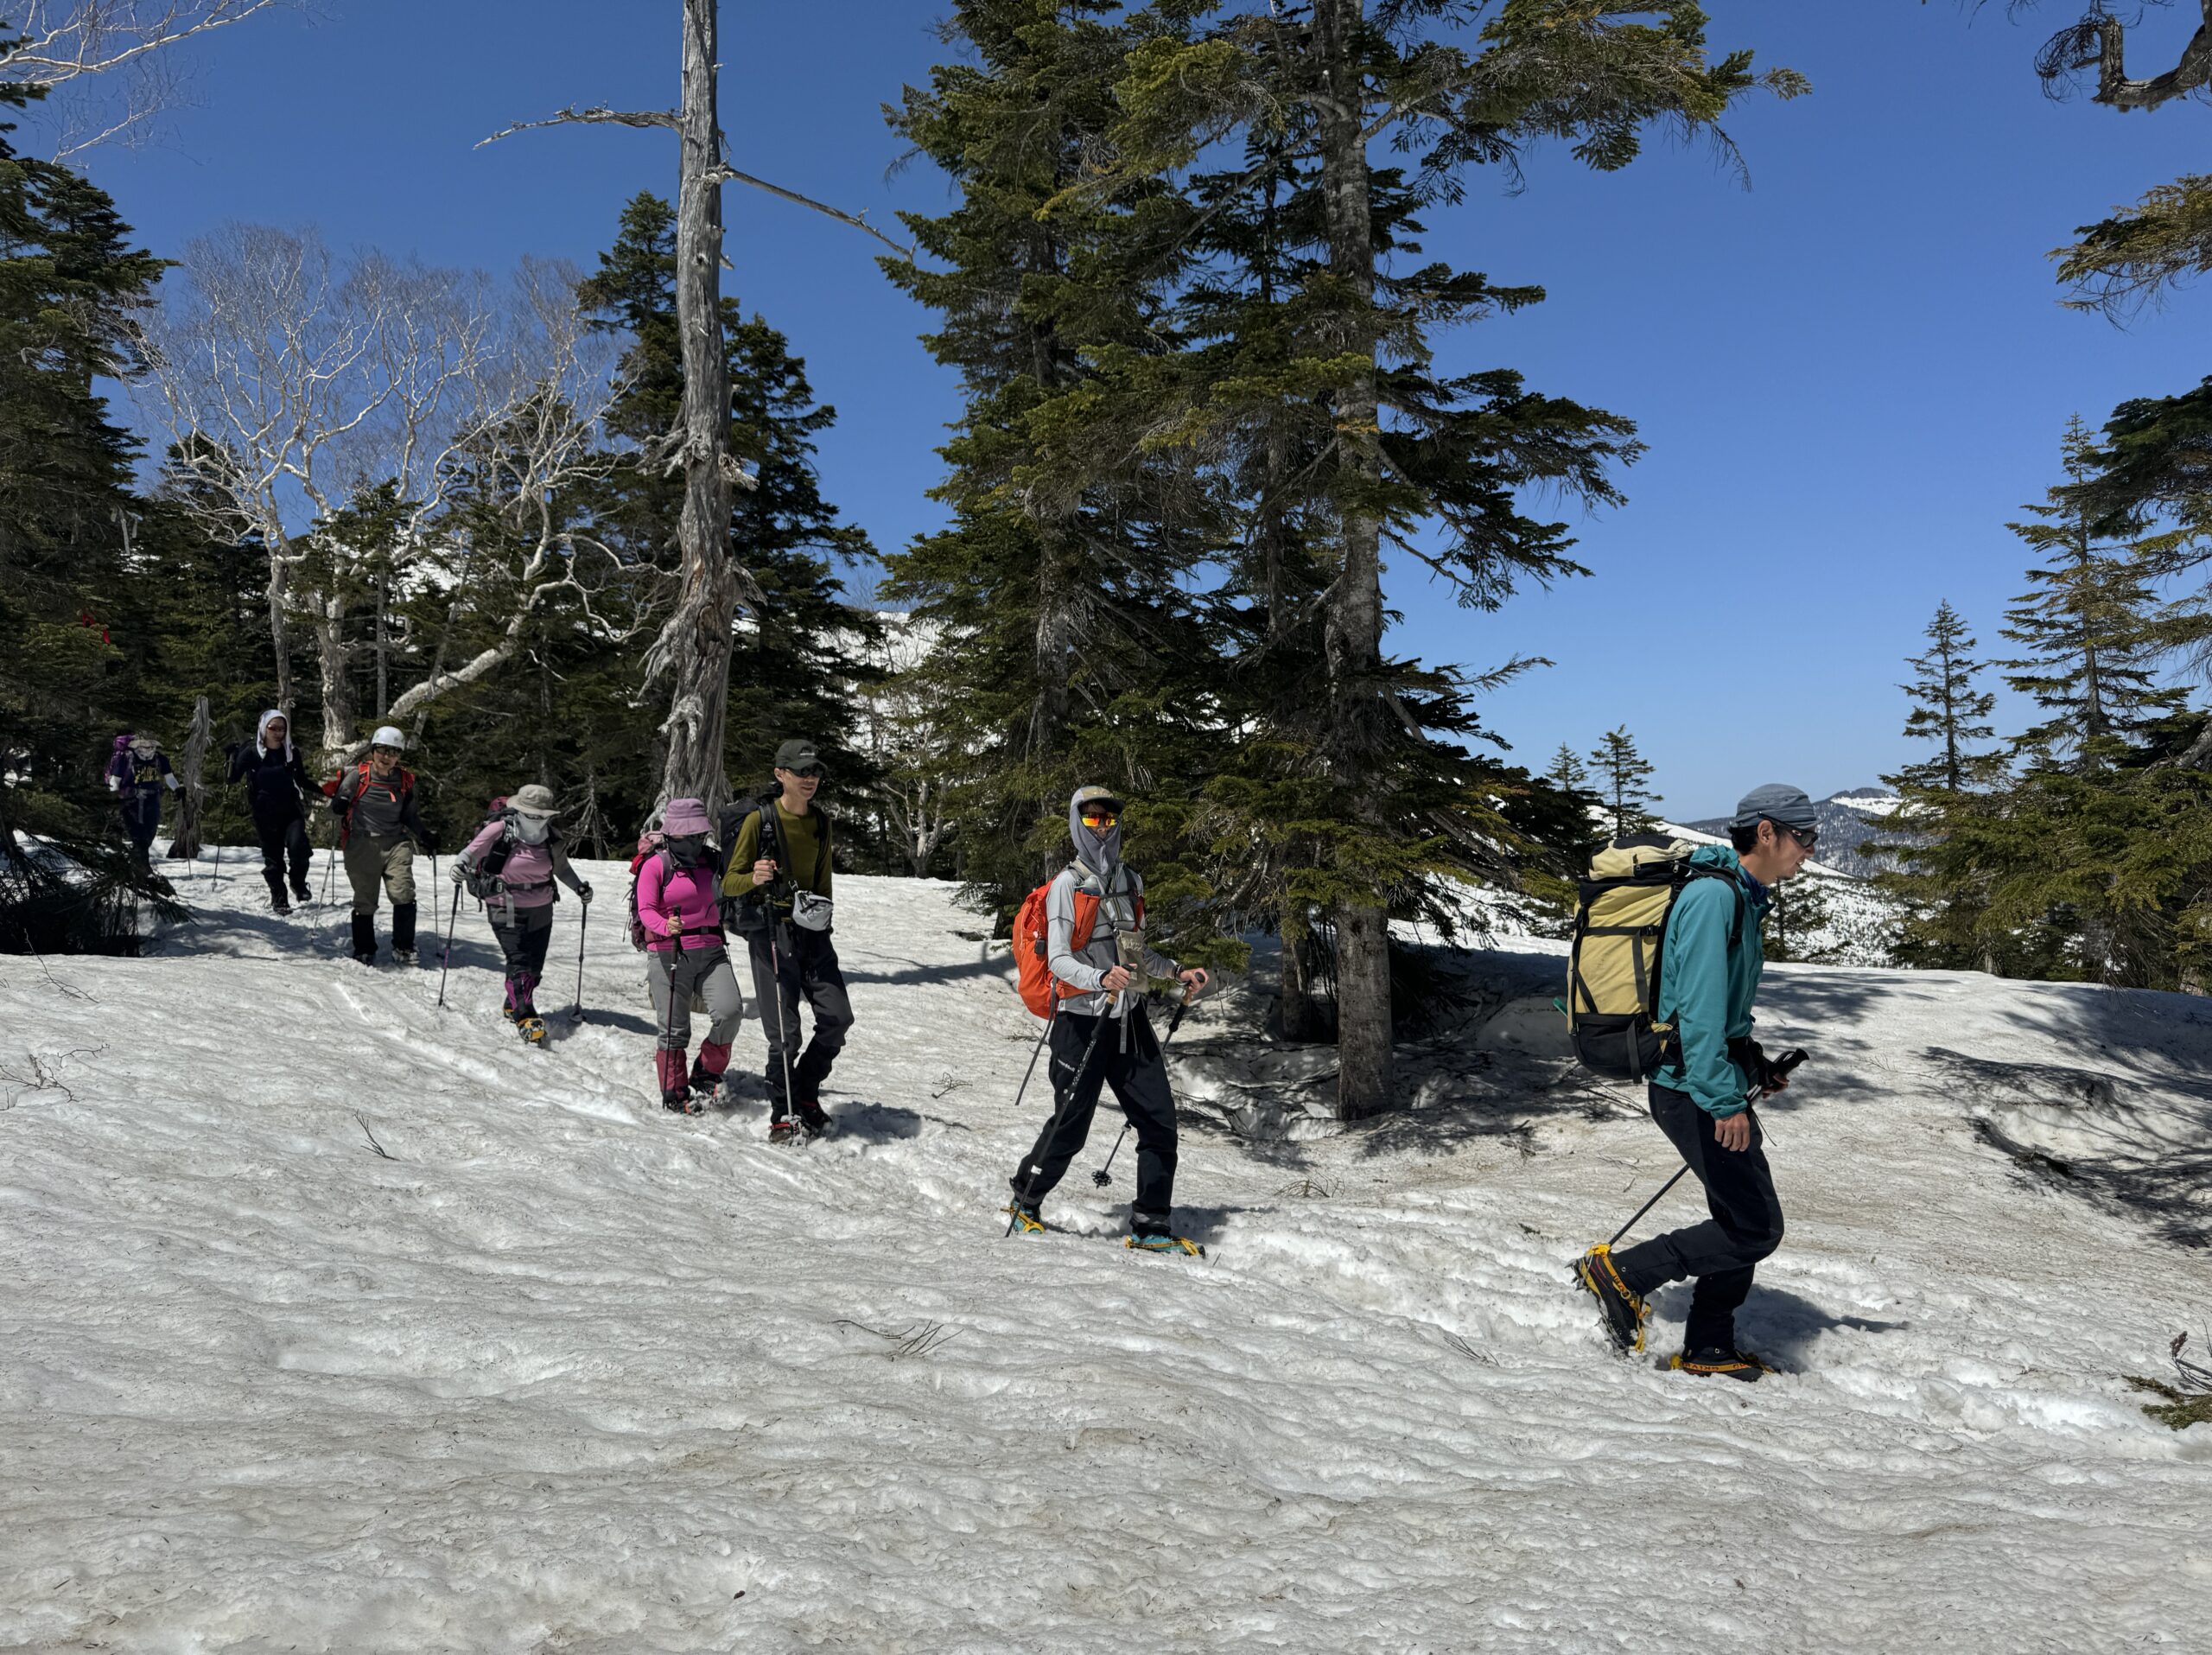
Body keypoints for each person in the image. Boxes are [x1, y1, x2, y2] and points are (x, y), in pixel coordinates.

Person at [1575, 782, 1816, 1382]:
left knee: (1738, 1217)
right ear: (1767, 833)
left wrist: (1753, 1065)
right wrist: (1723, 1099)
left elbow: (1722, 1011)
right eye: (1804, 836)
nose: (1810, 849)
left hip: (1704, 1080)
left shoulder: (1740, 895)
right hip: (1691, 1088)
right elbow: (1699, 1011)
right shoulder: (1714, 898)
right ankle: (1623, 1273)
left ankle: (1709, 1345)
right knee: (1754, 1226)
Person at [1004, 785, 1211, 1254]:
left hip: (1128, 1020)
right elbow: (1059, 960)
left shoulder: (1130, 881)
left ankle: (1150, 1226)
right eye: (1092, 818)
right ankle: (1025, 1199)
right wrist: (1099, 978)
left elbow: (1137, 954)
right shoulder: (1067, 886)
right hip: (1081, 1023)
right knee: (1071, 1125)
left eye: (1109, 819)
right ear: (1077, 822)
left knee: (1158, 1122)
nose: (1102, 827)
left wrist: (1176, 972)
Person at [721, 738, 853, 1140]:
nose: (810, 779)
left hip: (813, 933)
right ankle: (784, 1113)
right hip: (771, 933)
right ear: (781, 774)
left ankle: (805, 1092)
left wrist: (823, 921)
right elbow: (729, 883)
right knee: (784, 1032)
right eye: (801, 771)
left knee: (838, 1017)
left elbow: (823, 882)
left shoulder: (822, 823)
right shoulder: (758, 821)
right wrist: (754, 877)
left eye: (815, 772)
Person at [452, 785, 592, 1041]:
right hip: (503, 903)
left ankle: (513, 1002)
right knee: (519, 960)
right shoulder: (499, 830)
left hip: (542, 906)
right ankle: (525, 1016)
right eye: (531, 814)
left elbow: (561, 869)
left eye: (541, 815)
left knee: (535, 966)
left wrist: (579, 888)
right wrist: (460, 866)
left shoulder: (552, 837)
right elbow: (470, 853)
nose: (536, 819)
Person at [636, 797, 746, 1115]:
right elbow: (646, 909)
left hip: (712, 950)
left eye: (699, 835)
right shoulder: (656, 865)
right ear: (672, 834)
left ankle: (707, 1072)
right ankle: (674, 1091)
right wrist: (665, 925)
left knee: (730, 1012)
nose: (696, 842)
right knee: (674, 1027)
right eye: (689, 836)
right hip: (668, 952)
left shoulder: (712, 861)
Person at [327, 725, 432, 966]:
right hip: (362, 844)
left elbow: (409, 816)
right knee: (365, 899)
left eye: (394, 752)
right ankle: (364, 949)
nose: (387, 757)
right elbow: (339, 803)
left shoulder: (405, 781)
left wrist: (424, 835)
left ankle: (404, 946)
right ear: (373, 750)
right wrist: (340, 803)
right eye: (383, 750)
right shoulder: (358, 776)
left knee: (403, 892)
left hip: (396, 843)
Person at [226, 710, 318, 913]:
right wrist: (231, 757)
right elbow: (232, 779)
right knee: (273, 857)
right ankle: (279, 897)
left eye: (282, 729)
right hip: (264, 812)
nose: (278, 733)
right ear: (263, 728)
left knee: (299, 848)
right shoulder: (252, 753)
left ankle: (298, 883)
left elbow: (302, 780)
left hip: (290, 809)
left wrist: (328, 792)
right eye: (273, 728)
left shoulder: (291, 753)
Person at [105, 731, 178, 875]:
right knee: (138, 835)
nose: (147, 748)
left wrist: (178, 788)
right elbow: (115, 779)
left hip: (152, 799)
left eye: (150, 744)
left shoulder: (159, 758)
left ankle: (134, 864)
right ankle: (142, 870)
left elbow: (169, 776)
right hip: (131, 800)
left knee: (150, 833)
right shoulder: (126, 757)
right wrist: (114, 798)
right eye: (144, 744)